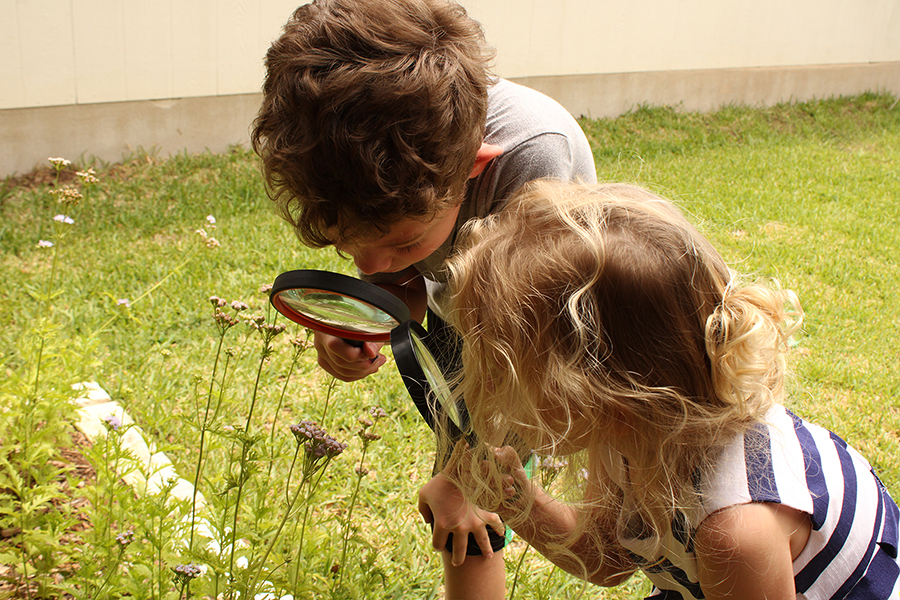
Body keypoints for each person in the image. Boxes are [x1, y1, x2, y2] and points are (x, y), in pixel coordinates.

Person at [250, 0, 597, 596]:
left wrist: (463, 476)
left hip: (541, 321)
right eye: (345, 243)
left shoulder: (533, 160)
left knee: (470, 508)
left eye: (401, 240)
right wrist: (356, 315)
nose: (369, 267)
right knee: (461, 509)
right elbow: (395, 277)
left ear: (472, 169)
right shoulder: (351, 165)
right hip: (457, 293)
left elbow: (521, 353)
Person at [441, 180, 900, 599]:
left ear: (592, 393)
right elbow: (610, 557)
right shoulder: (634, 430)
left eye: (504, 370)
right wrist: (520, 501)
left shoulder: (735, 529)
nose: (490, 387)